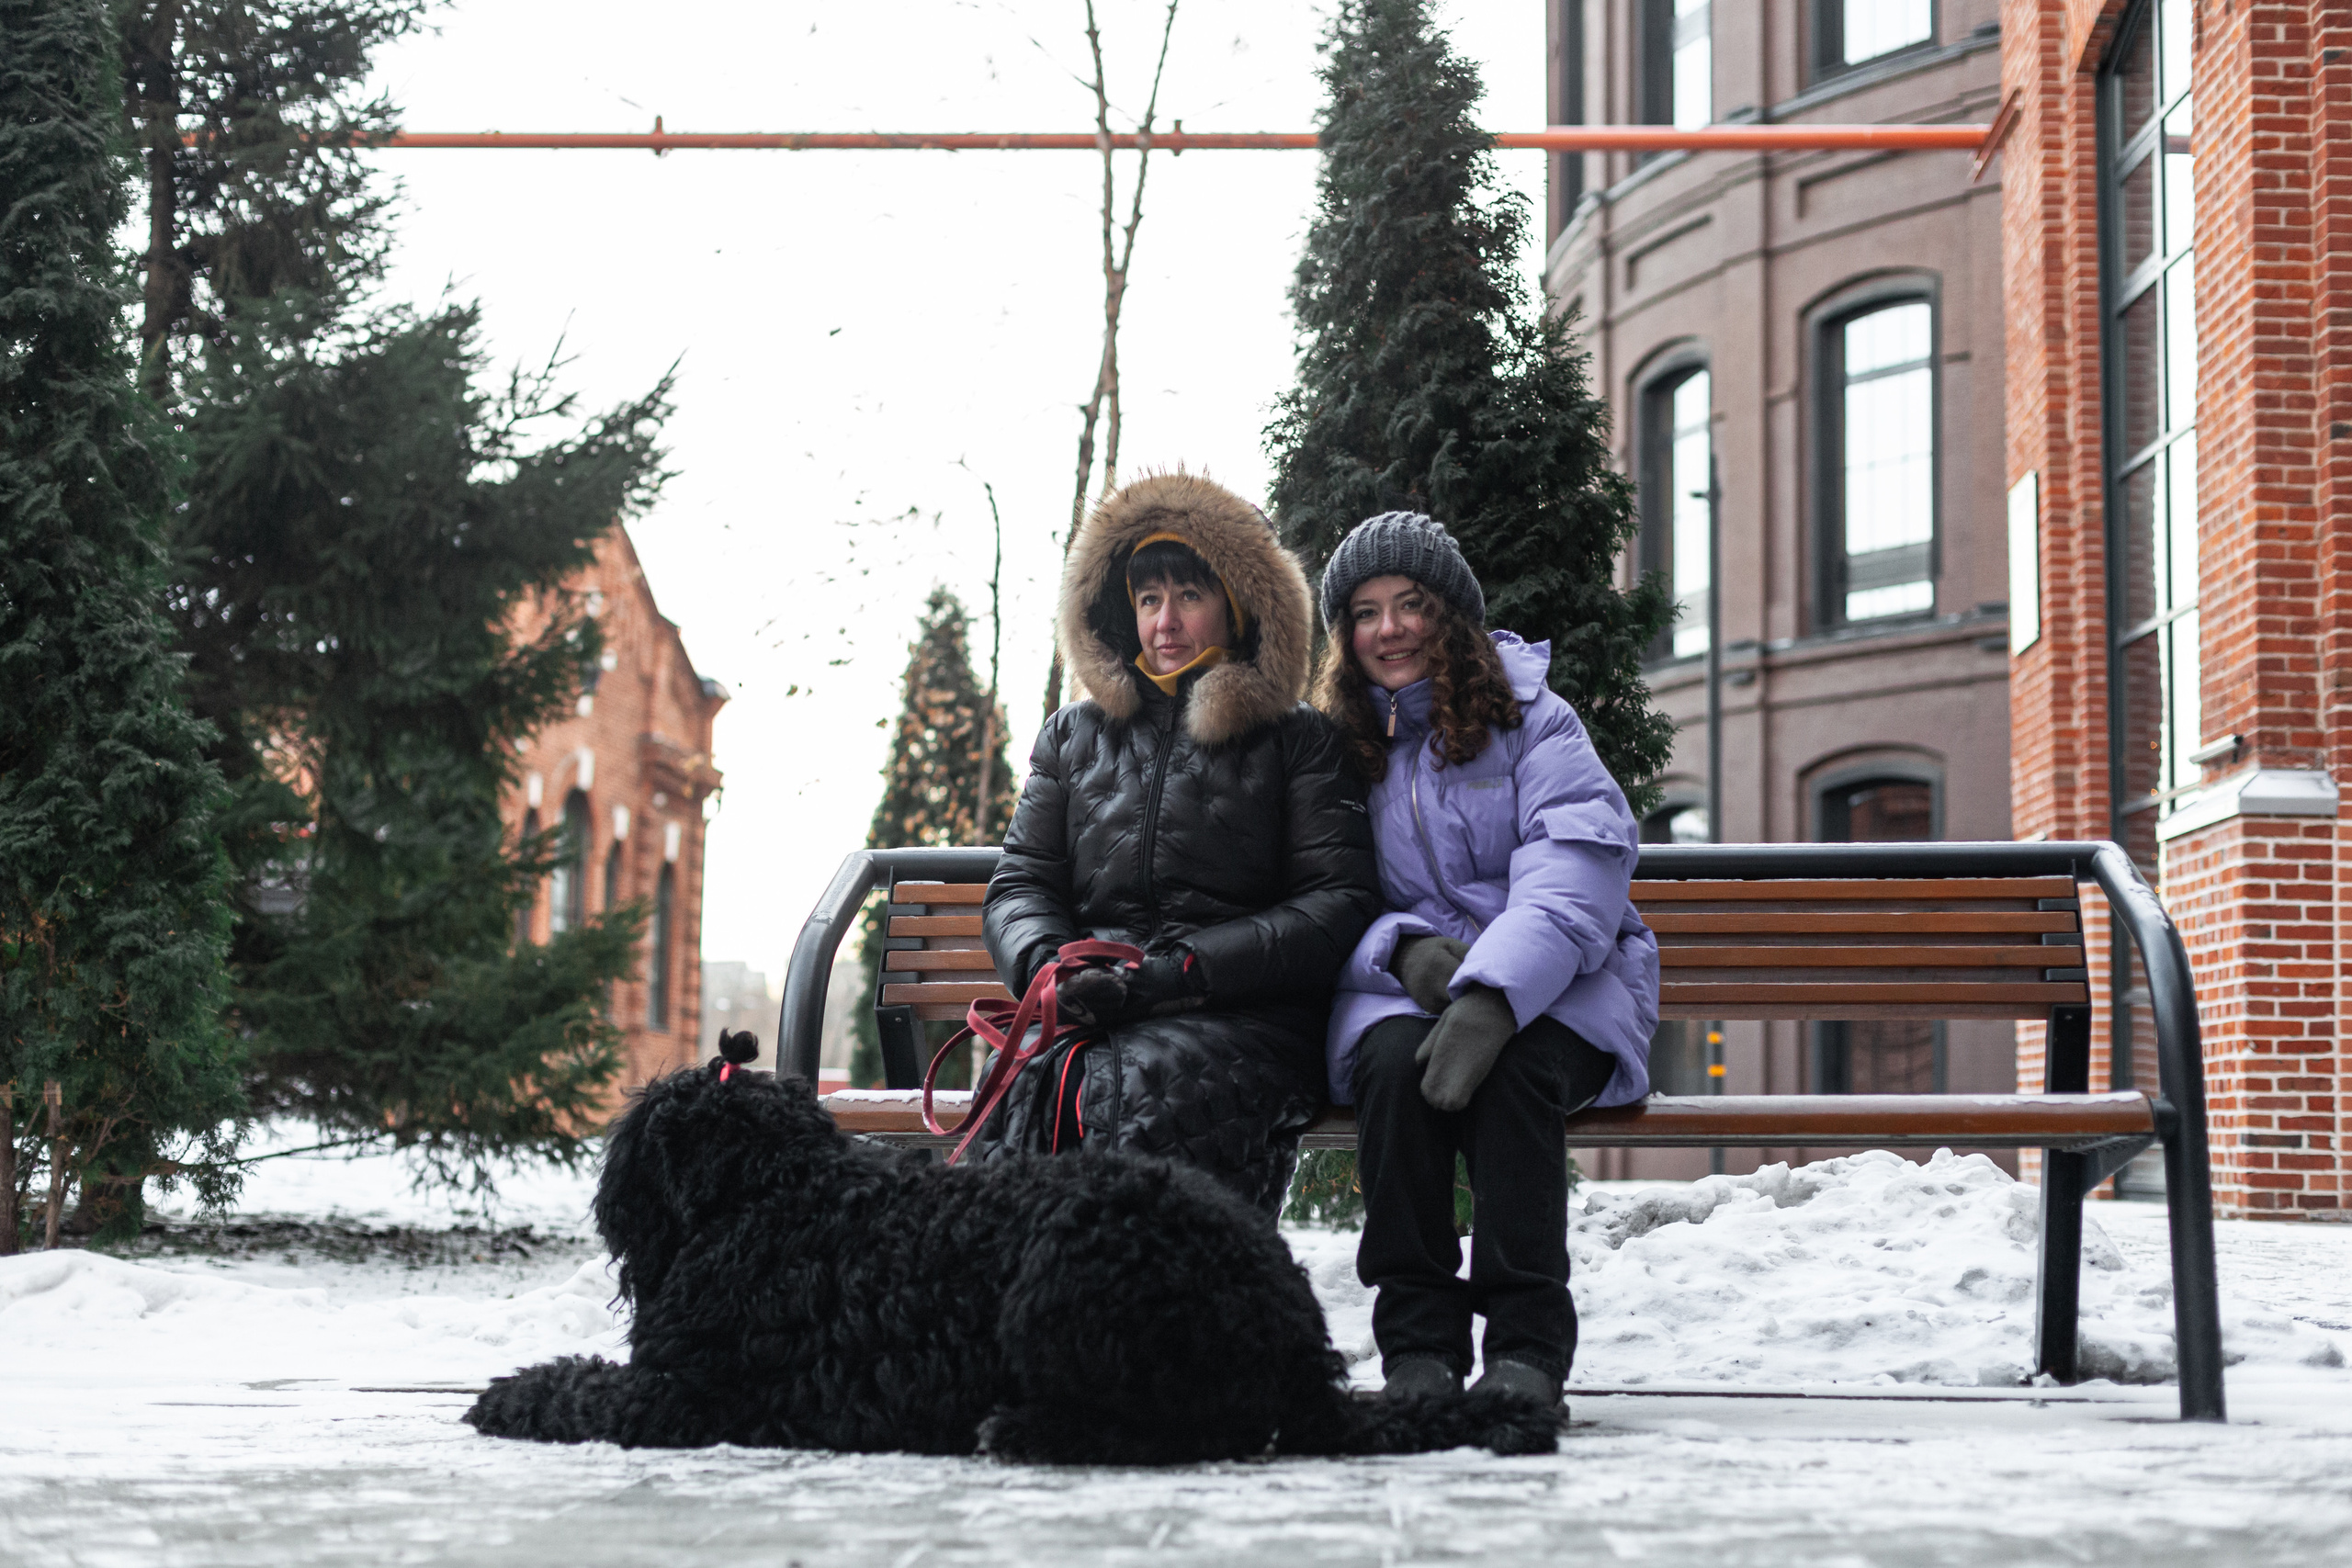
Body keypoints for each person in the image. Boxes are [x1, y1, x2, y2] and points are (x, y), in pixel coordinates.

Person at [1316, 511, 1658, 1408]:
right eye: (1364, 611)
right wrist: (1400, 950)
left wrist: (1495, 993)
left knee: (1514, 1076)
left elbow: (1577, 865)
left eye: (1411, 604)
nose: (1387, 628)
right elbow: (1318, 898)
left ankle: (1525, 1355)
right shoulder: (1333, 748)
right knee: (1388, 1067)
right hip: (1403, 988)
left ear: (1452, 615)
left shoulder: (1536, 719)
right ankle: (1418, 1353)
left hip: (1565, 987)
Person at [977, 471, 1383, 1217]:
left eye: (1189, 596)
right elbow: (1022, 885)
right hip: (1090, 1010)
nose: (1165, 621)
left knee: (1140, 1102)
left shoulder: (1298, 741)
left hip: (1241, 1017)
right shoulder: (1075, 736)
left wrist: (1186, 972)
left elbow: (1338, 902)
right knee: (1037, 1099)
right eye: (1148, 599)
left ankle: (1161, 1317)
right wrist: (1048, 971)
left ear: (1238, 605)